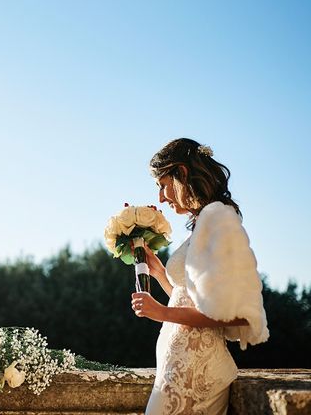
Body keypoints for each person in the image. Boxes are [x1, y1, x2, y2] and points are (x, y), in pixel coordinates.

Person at [131, 138, 268, 415]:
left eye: (162, 184)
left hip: (197, 375)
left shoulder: (219, 217)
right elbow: (197, 303)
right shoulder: (204, 221)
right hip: (178, 370)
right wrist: (159, 274)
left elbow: (237, 315)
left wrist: (161, 313)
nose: (160, 197)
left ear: (181, 173)